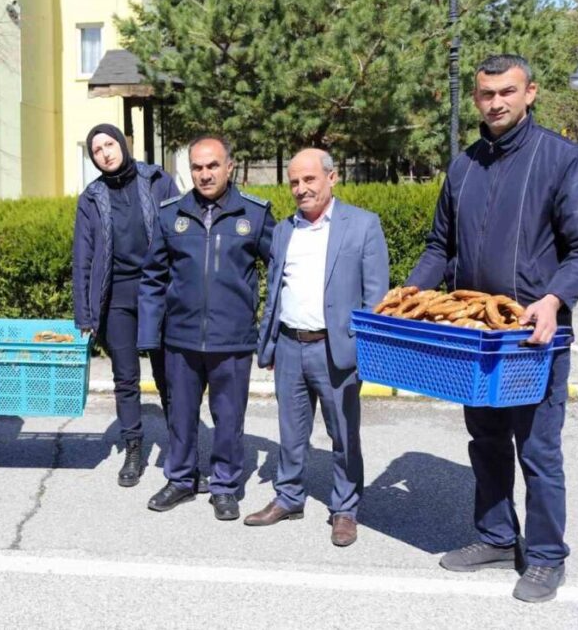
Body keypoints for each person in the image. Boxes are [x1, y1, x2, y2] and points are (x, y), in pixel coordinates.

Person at [407, 54, 578, 603]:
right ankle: (496, 537)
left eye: (506, 92)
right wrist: (408, 293)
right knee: (487, 440)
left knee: (539, 451)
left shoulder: (563, 161)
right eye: (486, 93)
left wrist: (553, 299)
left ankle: (545, 556)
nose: (495, 102)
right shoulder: (464, 166)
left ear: (530, 93)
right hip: (478, 337)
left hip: (535, 339)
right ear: (476, 97)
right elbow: (438, 248)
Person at [246, 149, 389, 547]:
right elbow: (274, 291)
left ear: (332, 178)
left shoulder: (362, 226)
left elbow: (376, 297)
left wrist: (366, 352)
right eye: (294, 182)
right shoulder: (283, 230)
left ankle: (344, 508)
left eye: (309, 179)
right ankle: (289, 496)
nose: (301, 188)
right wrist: (270, 343)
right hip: (291, 345)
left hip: (337, 350)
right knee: (290, 433)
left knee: (343, 434)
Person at [138, 135, 275, 521]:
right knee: (180, 416)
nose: (205, 174)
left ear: (229, 167)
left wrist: (268, 331)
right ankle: (181, 479)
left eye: (213, 165)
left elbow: (280, 272)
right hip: (180, 339)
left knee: (229, 419)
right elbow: (152, 278)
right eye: (197, 167)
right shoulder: (171, 215)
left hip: (231, 340)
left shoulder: (255, 214)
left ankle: (225, 485)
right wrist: (150, 336)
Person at [73, 124, 177, 487]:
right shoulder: (91, 197)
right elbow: (83, 256)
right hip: (116, 297)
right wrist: (84, 311)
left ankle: (181, 448)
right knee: (125, 379)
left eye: (109, 144)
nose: (105, 152)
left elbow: (182, 235)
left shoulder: (157, 180)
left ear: (123, 143)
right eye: (97, 149)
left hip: (158, 293)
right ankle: (133, 447)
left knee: (170, 377)